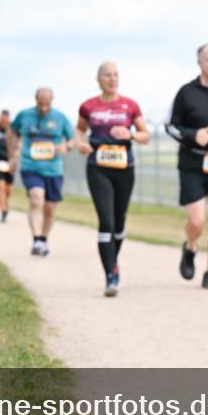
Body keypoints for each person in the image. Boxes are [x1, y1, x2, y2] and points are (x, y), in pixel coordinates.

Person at [75, 61, 150, 297]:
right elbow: (80, 130)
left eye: (116, 74)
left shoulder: (130, 105)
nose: (112, 79)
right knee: (106, 221)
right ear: (99, 79)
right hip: (98, 167)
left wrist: (130, 135)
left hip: (124, 168)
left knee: (119, 222)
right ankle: (111, 274)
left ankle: (112, 261)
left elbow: (145, 135)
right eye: (107, 75)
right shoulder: (88, 106)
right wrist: (80, 143)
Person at [165, 43, 208, 290]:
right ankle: (191, 246)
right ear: (200, 63)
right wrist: (193, 135)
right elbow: (170, 125)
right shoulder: (186, 92)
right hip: (192, 161)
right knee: (196, 221)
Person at [8, 88, 75, 257]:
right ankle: (37, 240)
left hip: (53, 169)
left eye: (47, 104)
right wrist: (12, 155)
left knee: (50, 208)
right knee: (36, 199)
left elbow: (73, 139)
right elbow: (11, 132)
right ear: (35, 100)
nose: (44, 108)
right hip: (30, 166)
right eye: (40, 104)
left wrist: (66, 146)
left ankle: (44, 239)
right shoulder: (24, 115)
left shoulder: (60, 117)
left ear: (52, 101)